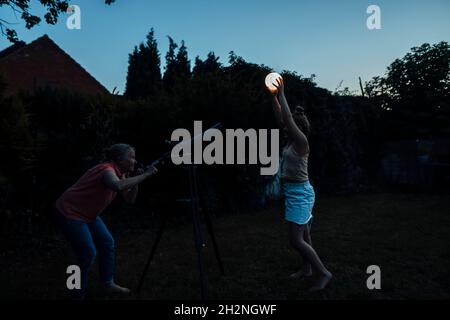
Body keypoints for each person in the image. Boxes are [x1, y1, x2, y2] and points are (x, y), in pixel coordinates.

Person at [54, 143, 158, 299]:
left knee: (107, 243)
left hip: (88, 214)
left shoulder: (120, 173)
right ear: (119, 159)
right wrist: (146, 175)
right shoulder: (106, 169)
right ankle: (75, 294)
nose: (135, 161)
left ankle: (107, 284)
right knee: (86, 253)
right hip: (70, 212)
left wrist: (137, 180)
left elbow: (129, 199)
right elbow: (117, 186)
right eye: (131, 157)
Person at [270, 77, 332, 291]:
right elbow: (281, 117)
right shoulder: (290, 141)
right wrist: (273, 97)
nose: (286, 128)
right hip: (295, 192)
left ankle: (323, 273)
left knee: (296, 240)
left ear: (298, 128)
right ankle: (307, 269)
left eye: (290, 127)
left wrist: (283, 92)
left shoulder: (302, 143)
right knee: (305, 235)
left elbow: (286, 118)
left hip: (300, 194)